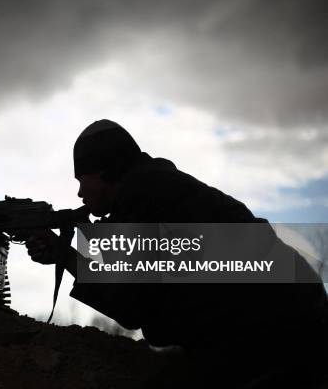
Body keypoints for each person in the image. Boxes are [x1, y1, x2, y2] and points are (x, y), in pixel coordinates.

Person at [26, 119, 327, 388]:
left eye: (82, 179)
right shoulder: (158, 188)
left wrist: (66, 257)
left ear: (103, 171)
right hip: (290, 319)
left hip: (274, 334)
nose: (80, 193)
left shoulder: (144, 198)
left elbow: (131, 305)